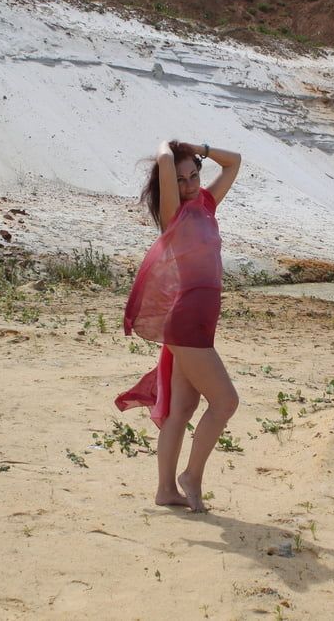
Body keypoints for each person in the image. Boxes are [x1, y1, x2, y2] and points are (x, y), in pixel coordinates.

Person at [115, 140, 242, 512]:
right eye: (181, 179)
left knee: (181, 410)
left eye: (194, 175)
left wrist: (201, 146)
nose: (189, 185)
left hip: (201, 322)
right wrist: (168, 147)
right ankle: (192, 477)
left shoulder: (206, 203)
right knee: (225, 401)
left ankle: (165, 491)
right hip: (186, 320)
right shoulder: (175, 213)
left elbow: (234, 163)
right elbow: (166, 158)